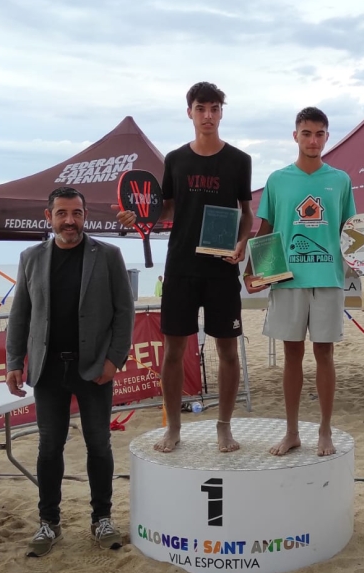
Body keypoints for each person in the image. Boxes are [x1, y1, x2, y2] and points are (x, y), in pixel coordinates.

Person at [117, 81, 252, 454]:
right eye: (201, 108)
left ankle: (223, 426)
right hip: (180, 266)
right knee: (174, 351)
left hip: (222, 267)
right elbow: (167, 208)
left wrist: (243, 243)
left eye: (214, 108)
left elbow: (247, 212)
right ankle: (173, 426)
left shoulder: (240, 160)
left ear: (221, 112)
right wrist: (139, 216)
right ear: (189, 112)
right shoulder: (175, 159)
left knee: (228, 351)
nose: (208, 116)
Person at [244, 107, 364, 457]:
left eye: (319, 134)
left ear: (327, 137)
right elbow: (266, 229)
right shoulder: (278, 179)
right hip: (287, 279)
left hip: (328, 278)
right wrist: (252, 270)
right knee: (292, 355)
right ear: (295, 136)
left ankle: (324, 431)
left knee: (325, 354)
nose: (313, 140)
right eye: (306, 133)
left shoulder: (339, 180)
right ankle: (291, 431)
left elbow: (353, 233)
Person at [6, 186, 135, 558]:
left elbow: (124, 312)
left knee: (99, 444)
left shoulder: (107, 255)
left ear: (85, 215)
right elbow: (21, 314)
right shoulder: (31, 257)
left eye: (76, 213)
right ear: (49, 217)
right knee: (49, 447)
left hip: (94, 368)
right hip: (47, 369)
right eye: (62, 213)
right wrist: (15, 361)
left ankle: (102, 518)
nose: (70, 221)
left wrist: (114, 360)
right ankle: (49, 522)